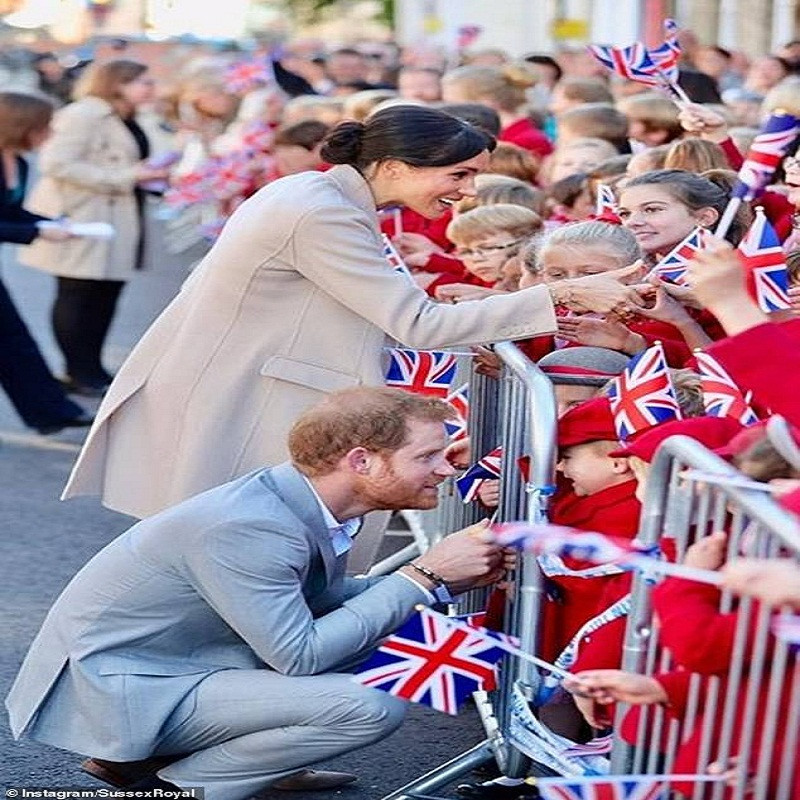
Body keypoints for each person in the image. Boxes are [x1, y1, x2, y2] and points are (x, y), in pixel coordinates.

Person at [61, 105, 646, 520]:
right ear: (394, 167)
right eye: (459, 175)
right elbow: (416, 323)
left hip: (245, 389)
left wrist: (484, 333)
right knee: (232, 568)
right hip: (245, 399)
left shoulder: (321, 197)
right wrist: (566, 294)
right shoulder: (324, 213)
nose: (468, 192)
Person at [6, 387, 513, 799]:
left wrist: (444, 580)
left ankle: (238, 763)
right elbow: (301, 655)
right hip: (120, 691)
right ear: (361, 461)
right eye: (427, 456)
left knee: (405, 636)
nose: (447, 469)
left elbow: (320, 603)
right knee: (370, 706)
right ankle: (180, 788)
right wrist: (422, 575)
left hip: (177, 663)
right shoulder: (251, 527)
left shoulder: (298, 498)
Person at [19, 59, 169, 397]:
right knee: (79, 292)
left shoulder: (133, 116)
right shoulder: (84, 114)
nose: (151, 88)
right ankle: (77, 370)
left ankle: (93, 367)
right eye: (144, 82)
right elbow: (56, 163)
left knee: (105, 293)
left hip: (117, 214)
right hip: (84, 214)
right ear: (118, 83)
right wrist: (123, 176)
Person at [0, 90, 93, 434]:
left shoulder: (19, 163)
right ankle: (50, 411)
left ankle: (51, 411)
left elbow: (9, 212)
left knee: (14, 340)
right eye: (45, 126)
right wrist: (37, 231)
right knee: (12, 338)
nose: (51, 133)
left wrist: (50, 224)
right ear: (21, 125)